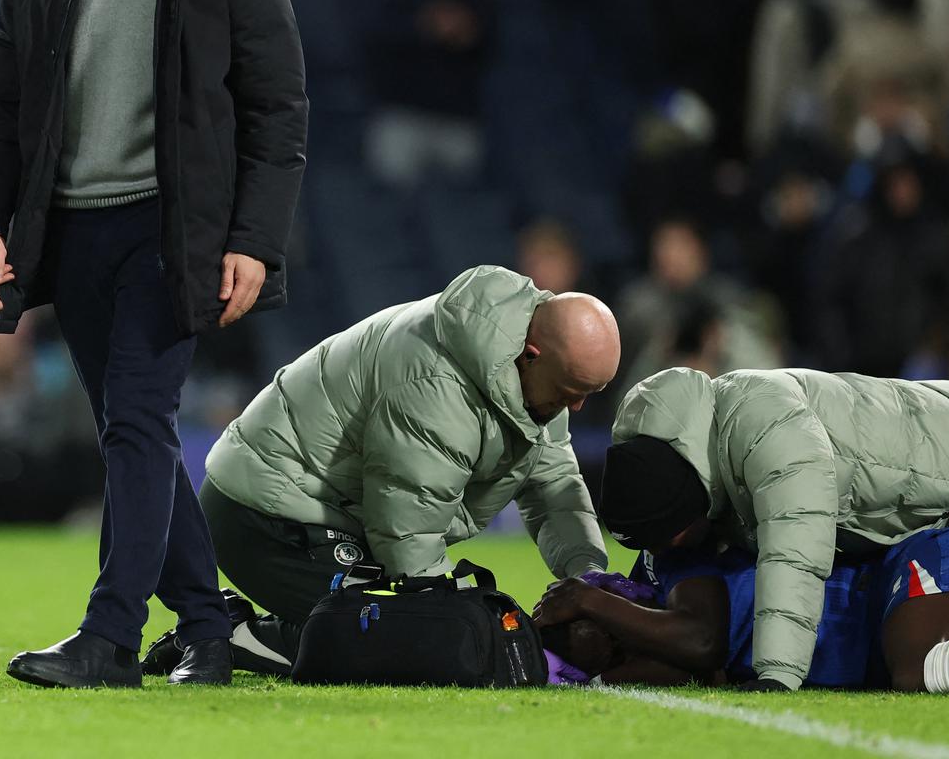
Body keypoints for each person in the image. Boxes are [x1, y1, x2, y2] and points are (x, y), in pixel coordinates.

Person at [0, 0, 307, 689]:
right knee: (132, 429)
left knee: (138, 422)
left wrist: (254, 241)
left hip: (171, 232)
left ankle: (110, 638)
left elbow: (279, 117)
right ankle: (208, 630)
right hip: (72, 233)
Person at [145, 265, 619, 677]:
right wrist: (448, 628)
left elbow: (553, 483)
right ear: (531, 354)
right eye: (571, 391)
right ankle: (224, 634)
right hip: (265, 513)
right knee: (407, 641)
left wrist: (590, 580)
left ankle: (237, 627)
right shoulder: (434, 384)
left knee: (412, 631)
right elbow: (408, 533)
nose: (576, 406)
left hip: (325, 512)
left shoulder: (531, 367)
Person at [598, 366, 949, 691]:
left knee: (918, 667)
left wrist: (778, 672)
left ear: (688, 509)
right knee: (916, 666)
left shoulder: (765, 433)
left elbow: (794, 550)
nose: (658, 552)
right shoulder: (693, 456)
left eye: (662, 538)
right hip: (929, 493)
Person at [534, 527, 949, 693]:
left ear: (618, 591)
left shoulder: (668, 556)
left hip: (905, 575)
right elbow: (694, 664)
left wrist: (589, 600)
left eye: (611, 626)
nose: (623, 642)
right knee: (913, 673)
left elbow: (702, 641)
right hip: (877, 643)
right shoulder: (666, 657)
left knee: (919, 668)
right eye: (614, 653)